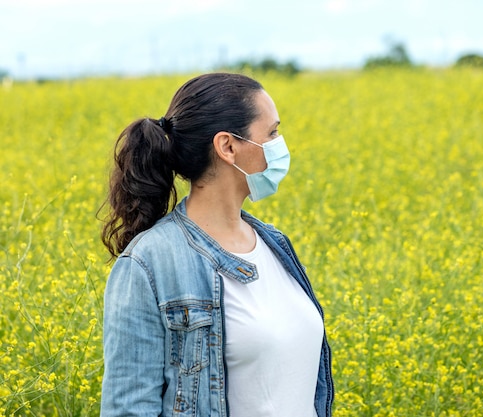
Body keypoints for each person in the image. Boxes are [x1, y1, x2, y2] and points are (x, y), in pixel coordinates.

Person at [99, 73, 334, 416]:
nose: (279, 145)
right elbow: (129, 408)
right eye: (271, 133)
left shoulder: (274, 244)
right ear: (227, 146)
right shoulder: (149, 263)